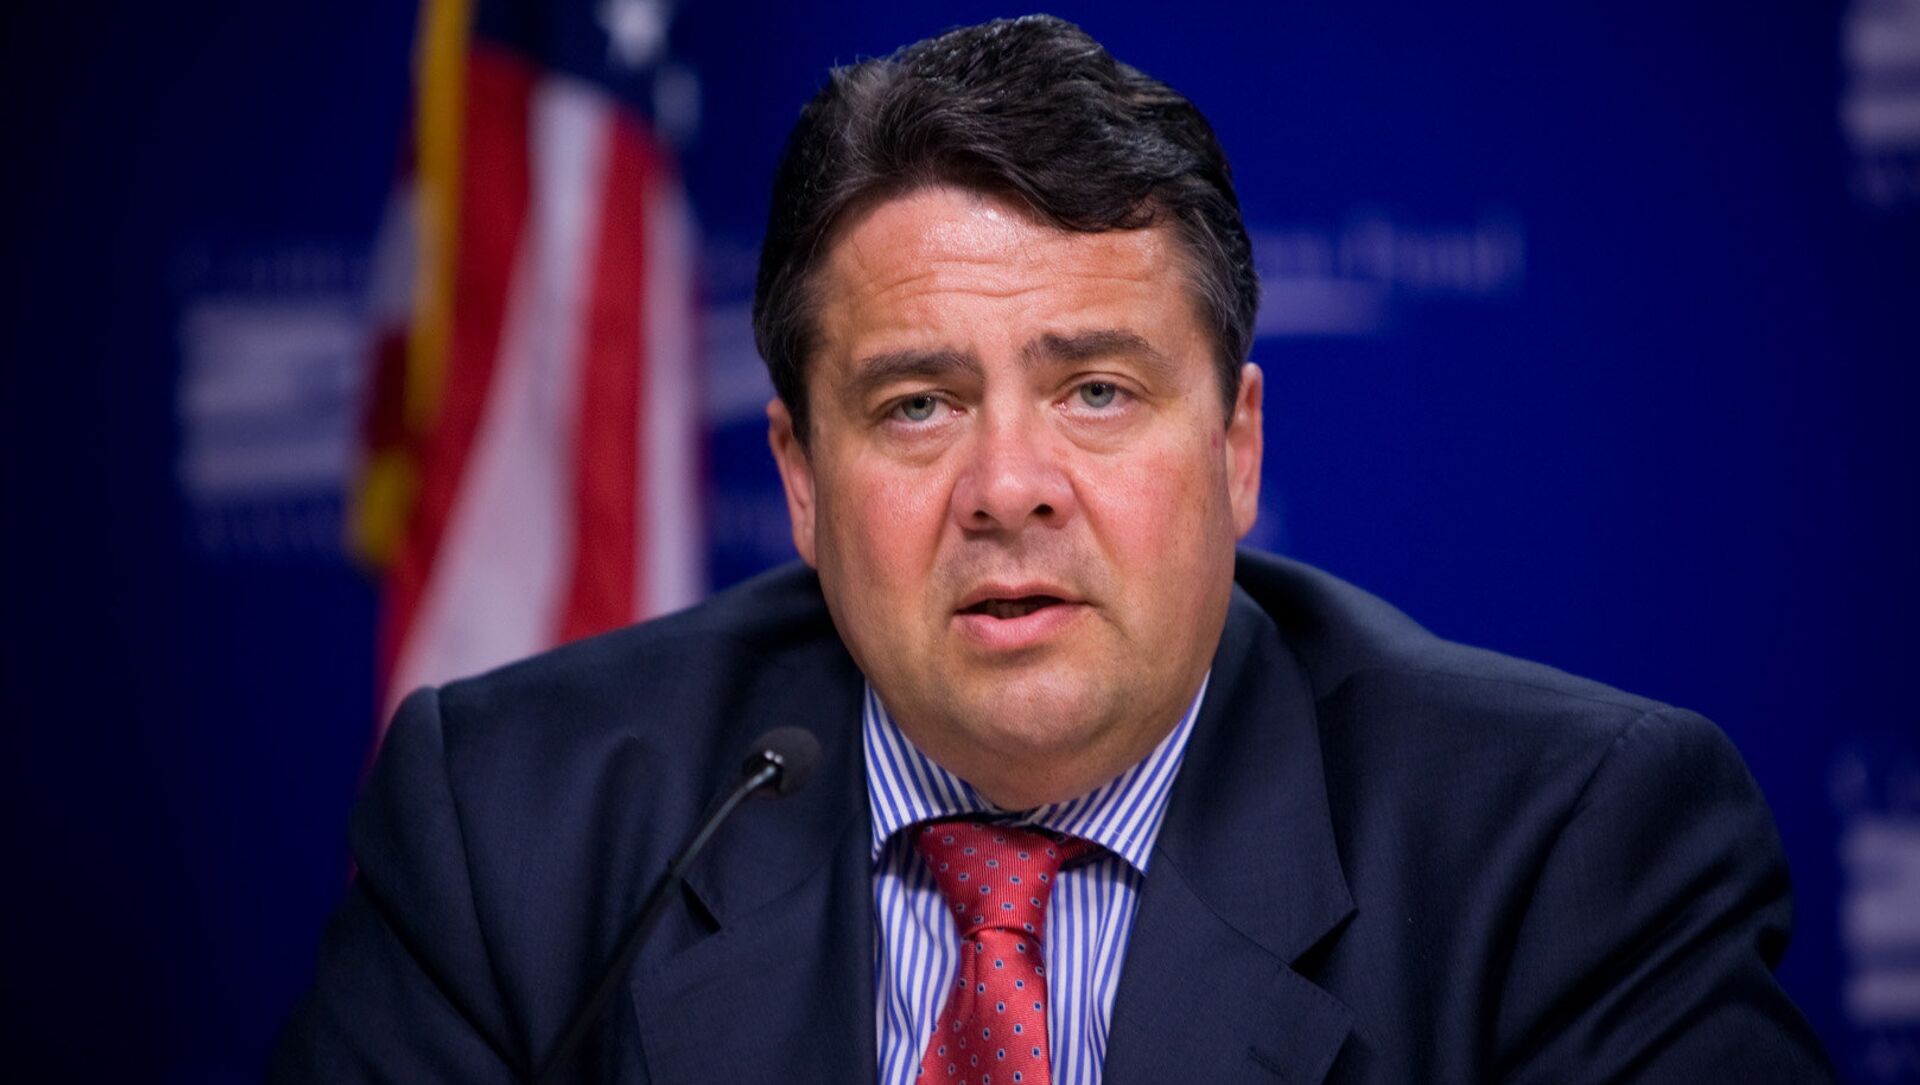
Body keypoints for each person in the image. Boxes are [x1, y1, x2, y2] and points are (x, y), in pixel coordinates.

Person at [273, 15, 1834, 1084]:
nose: (1009, 487)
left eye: (1096, 390)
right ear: (800, 480)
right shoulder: (515, 823)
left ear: (1236, 449)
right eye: (917, 403)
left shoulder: (1559, 854)